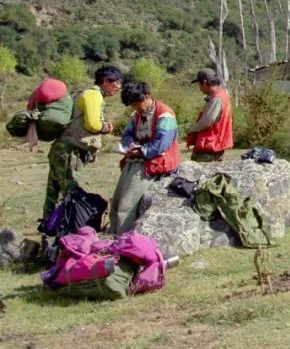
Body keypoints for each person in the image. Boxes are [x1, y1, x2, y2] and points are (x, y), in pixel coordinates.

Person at [42, 65, 121, 221]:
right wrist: (106, 127)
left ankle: (48, 226)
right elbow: (92, 125)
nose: (118, 87)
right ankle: (65, 231)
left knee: (53, 191)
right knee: (70, 193)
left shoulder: (84, 94)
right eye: (116, 83)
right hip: (71, 151)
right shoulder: (94, 96)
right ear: (105, 81)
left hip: (61, 148)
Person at [111, 81, 180, 235]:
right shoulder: (136, 115)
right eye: (132, 105)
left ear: (147, 97)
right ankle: (112, 235)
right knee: (116, 201)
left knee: (126, 205)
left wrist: (140, 151)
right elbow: (127, 134)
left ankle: (123, 241)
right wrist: (130, 144)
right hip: (134, 159)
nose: (135, 108)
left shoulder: (165, 115)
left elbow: (161, 145)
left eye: (137, 104)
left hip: (152, 163)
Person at [185, 68, 233, 162]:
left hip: (210, 149)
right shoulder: (219, 96)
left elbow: (207, 121)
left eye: (199, 84)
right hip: (213, 146)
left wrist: (191, 129)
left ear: (204, 82)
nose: (199, 88)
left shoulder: (217, 99)